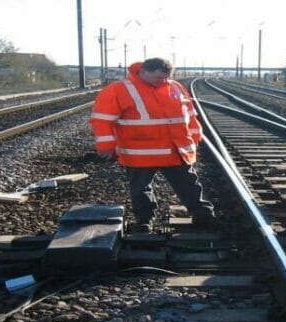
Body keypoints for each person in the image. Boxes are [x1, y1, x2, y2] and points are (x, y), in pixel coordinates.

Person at [89, 58, 215, 231]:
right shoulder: (119, 90)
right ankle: (144, 222)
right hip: (140, 153)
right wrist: (106, 146)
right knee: (140, 190)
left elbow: (190, 115)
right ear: (142, 72)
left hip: (175, 151)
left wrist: (195, 136)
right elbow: (102, 120)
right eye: (157, 78)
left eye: (166, 77)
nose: (162, 81)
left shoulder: (175, 87)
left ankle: (204, 217)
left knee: (189, 185)